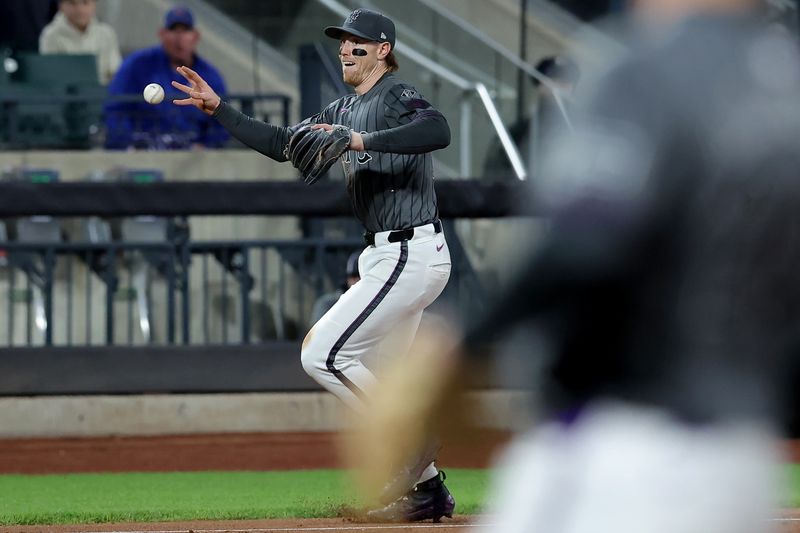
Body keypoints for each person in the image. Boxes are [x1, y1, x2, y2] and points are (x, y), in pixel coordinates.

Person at [355, 0, 800, 532]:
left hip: (628, 446)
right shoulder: (786, 86)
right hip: (740, 459)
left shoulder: (654, 71)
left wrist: (470, 346)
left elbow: (585, 244)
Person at [171, 8, 455, 523]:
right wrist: (219, 110)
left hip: (410, 250)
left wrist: (360, 141)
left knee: (322, 354)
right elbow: (284, 144)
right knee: (382, 375)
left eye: (357, 43)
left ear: (382, 50)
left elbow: (437, 129)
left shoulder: (392, 95)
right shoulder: (342, 107)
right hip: (388, 254)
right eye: (343, 42)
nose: (346, 49)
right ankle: (428, 492)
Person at [104, 6, 228, 150]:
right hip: (144, 150)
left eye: (185, 30)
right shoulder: (138, 64)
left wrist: (207, 146)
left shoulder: (209, 75)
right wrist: (127, 144)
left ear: (195, 36)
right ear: (162, 34)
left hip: (191, 155)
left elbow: (222, 119)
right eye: (173, 30)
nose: (179, 37)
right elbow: (115, 107)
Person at [39, 0, 122, 85]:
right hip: (64, 95)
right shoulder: (50, 35)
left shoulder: (107, 33)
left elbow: (114, 72)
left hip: (102, 94)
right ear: (61, 6)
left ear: (94, 5)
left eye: (85, 2)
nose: (80, 9)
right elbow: (50, 75)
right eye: (72, 3)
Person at [310, 251, 361, 325]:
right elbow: (318, 333)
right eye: (353, 276)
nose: (357, 281)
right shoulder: (328, 304)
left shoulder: (376, 304)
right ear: (347, 279)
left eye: (360, 276)